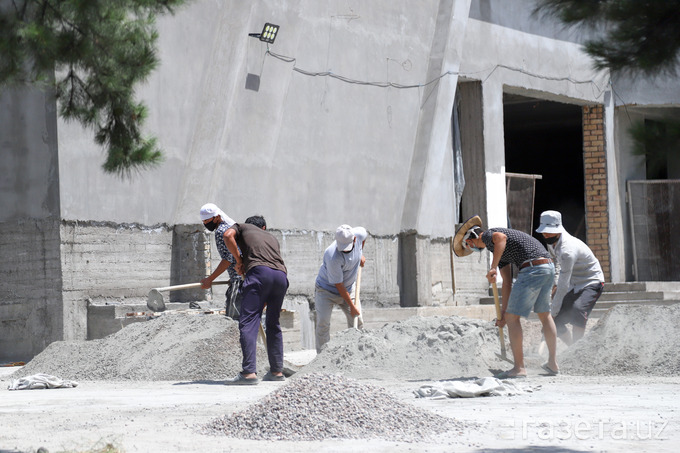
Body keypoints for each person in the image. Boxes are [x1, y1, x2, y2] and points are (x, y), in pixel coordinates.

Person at [453, 215, 559, 377]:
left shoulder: (488, 236)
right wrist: (503, 313)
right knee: (544, 315)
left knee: (514, 319)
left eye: (468, 244)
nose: (470, 248)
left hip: (532, 267)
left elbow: (501, 238)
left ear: (472, 236)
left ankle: (519, 368)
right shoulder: (498, 251)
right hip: (547, 266)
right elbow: (507, 282)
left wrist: (492, 267)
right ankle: (552, 364)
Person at [221, 215, 288, 385]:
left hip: (259, 274)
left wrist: (239, 261)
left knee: (248, 322)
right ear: (263, 228)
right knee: (273, 323)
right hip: (281, 277)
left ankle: (249, 373)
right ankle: (277, 371)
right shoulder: (272, 237)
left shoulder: (241, 227)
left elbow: (227, 236)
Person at [536, 210, 605, 346]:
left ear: (558, 229)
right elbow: (556, 263)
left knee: (578, 309)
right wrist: (554, 284)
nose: (545, 234)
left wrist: (552, 312)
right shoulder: (551, 242)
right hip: (574, 282)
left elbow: (563, 285)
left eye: (548, 231)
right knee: (555, 322)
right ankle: (571, 349)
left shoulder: (568, 250)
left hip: (591, 281)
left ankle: (577, 349)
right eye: (544, 231)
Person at [314, 224, 367, 353]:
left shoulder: (359, 234)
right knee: (323, 323)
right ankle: (322, 357)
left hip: (349, 288)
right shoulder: (332, 255)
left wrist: (360, 253)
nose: (343, 250)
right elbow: (339, 285)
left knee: (358, 321)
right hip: (326, 290)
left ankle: (357, 353)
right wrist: (352, 306)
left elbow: (364, 237)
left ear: (354, 239)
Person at [198, 203, 242, 318]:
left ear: (217, 217)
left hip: (239, 282)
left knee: (235, 319)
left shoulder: (221, 232)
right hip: (248, 279)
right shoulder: (232, 228)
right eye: (204, 222)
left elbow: (227, 259)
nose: (206, 224)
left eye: (207, 221)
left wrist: (210, 279)